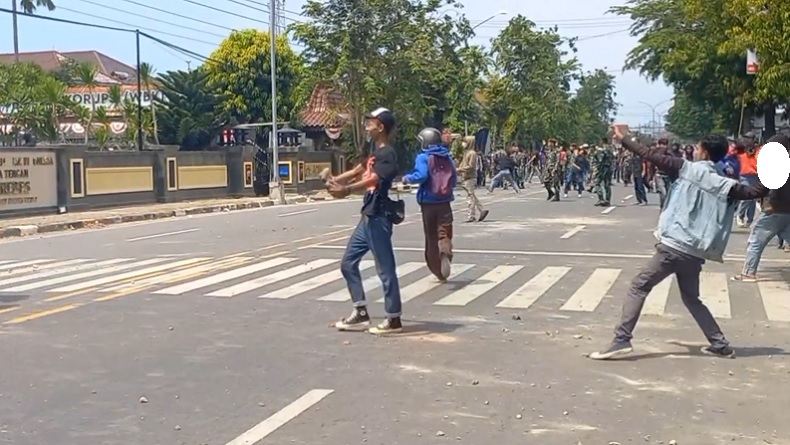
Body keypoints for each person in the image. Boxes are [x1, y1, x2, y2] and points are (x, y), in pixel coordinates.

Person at [590, 127, 769, 361]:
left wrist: (623, 138)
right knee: (691, 298)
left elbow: (647, 154)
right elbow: (755, 191)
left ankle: (621, 340)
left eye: (697, 147)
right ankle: (720, 344)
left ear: (704, 152)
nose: (694, 150)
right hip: (695, 252)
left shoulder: (685, 168)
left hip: (674, 247)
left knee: (638, 286)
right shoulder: (726, 184)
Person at [327, 107, 403, 335]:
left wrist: (347, 189)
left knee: (385, 268)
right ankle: (360, 311)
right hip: (368, 215)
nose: (367, 123)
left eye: (371, 121)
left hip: (378, 216)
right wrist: (336, 180)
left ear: (381, 127)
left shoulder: (388, 153)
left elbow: (374, 178)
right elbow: (361, 168)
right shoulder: (374, 151)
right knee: (348, 263)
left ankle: (394, 318)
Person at [730, 134, 790, 281]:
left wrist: (737, 192)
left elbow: (766, 189)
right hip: (786, 210)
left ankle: (748, 273)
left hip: (774, 210)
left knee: (756, 239)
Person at [402, 127, 457, 281]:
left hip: (427, 202)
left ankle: (438, 271)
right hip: (445, 202)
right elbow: (453, 179)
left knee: (431, 237)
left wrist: (407, 178)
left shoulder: (423, 157)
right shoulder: (447, 157)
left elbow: (421, 175)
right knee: (444, 232)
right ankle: (445, 252)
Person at [456, 135, 489, 223]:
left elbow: (471, 166)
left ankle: (471, 216)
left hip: (470, 177)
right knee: (472, 195)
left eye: (465, 141)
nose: (464, 143)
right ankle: (482, 210)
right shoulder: (466, 152)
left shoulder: (472, 153)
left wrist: (459, 169)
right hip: (465, 177)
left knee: (470, 197)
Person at [591, 138, 615, 206]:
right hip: (609, 168)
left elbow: (600, 160)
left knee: (597, 183)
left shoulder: (603, 150)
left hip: (603, 168)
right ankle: (607, 200)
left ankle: (601, 199)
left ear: (602, 142)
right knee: (607, 185)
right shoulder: (611, 149)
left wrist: (597, 169)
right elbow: (613, 157)